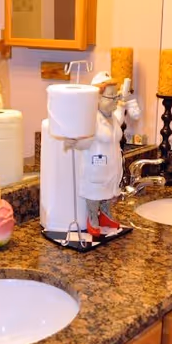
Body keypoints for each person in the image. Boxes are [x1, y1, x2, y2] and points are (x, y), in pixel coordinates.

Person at [65, 72, 125, 237]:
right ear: (97, 98)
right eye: (111, 97)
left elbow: (121, 115)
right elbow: (85, 142)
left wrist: (124, 102)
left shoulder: (113, 118)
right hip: (96, 166)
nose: (115, 100)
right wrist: (73, 142)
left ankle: (105, 215)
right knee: (95, 193)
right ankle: (93, 219)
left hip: (112, 166)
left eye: (116, 96)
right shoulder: (92, 119)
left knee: (108, 192)